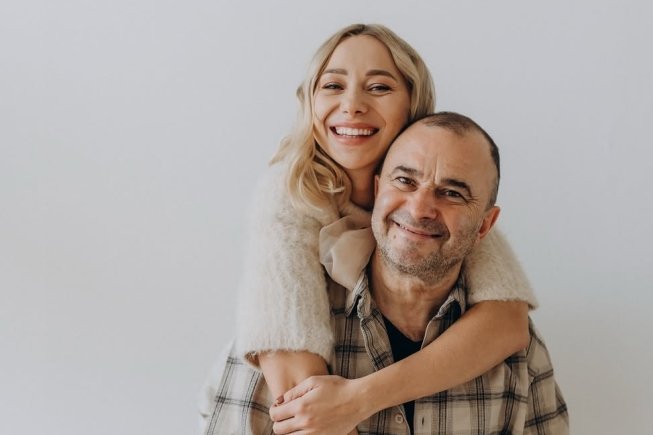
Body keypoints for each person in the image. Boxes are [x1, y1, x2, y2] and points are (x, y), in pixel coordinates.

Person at [199, 24, 537, 434]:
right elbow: (303, 399)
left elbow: (508, 322)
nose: (352, 105)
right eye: (332, 85)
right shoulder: (286, 198)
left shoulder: (443, 206)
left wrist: (361, 398)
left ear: (415, 106)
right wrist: (343, 403)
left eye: (378, 87)